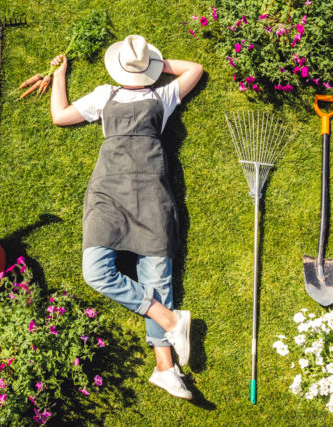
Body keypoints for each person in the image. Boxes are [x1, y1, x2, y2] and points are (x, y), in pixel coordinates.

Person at [50, 35, 203, 400]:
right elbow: (60, 116)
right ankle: (169, 320)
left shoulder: (161, 97)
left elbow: (196, 69)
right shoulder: (106, 95)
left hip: (151, 192)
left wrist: (151, 68)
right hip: (109, 193)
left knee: (157, 277)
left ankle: (165, 368)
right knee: (95, 272)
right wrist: (60, 75)